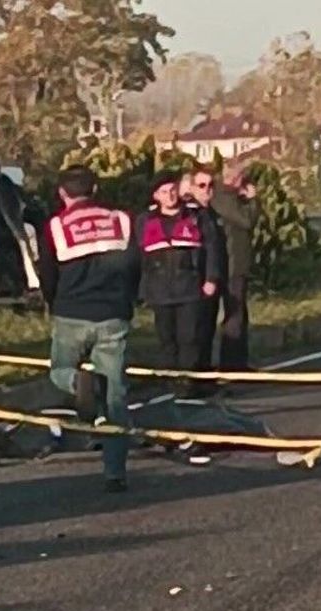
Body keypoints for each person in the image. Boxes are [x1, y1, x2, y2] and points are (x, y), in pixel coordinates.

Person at [36, 165, 140, 493]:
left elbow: (47, 273)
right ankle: (115, 472)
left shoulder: (55, 226)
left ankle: (79, 383)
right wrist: (128, 301)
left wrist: (53, 303)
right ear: (95, 189)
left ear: (62, 193)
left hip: (71, 313)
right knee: (116, 397)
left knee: (60, 370)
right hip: (113, 315)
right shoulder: (121, 220)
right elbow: (134, 266)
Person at [136, 170, 223, 464]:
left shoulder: (196, 217)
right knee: (167, 342)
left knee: (190, 339)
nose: (170, 195)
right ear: (155, 196)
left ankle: (187, 387)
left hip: (189, 288)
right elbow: (137, 256)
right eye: (163, 192)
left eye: (172, 190)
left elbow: (212, 248)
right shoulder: (145, 221)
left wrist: (211, 278)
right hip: (160, 291)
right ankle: (170, 387)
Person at [210, 168, 260, 371]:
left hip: (236, 262)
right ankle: (230, 362)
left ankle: (239, 360)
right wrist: (253, 200)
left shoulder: (230, 198)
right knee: (234, 313)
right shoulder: (223, 197)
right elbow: (246, 221)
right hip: (231, 263)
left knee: (239, 313)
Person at [182, 168, 227, 386]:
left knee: (207, 328)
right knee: (196, 330)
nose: (207, 190)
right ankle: (195, 376)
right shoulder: (190, 214)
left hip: (210, 279)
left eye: (210, 185)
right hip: (195, 279)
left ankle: (205, 373)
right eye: (201, 185)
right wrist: (207, 277)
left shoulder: (210, 213)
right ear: (191, 187)